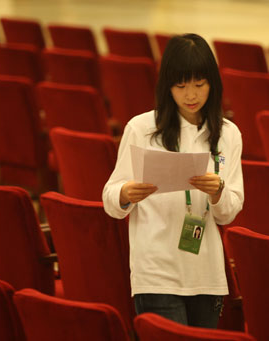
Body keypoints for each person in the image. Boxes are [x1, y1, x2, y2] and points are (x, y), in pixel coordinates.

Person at [102, 33, 243, 329]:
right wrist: (126, 192)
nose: (191, 95)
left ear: (212, 84)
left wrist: (218, 192)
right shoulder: (141, 128)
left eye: (199, 85)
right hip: (155, 271)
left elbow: (229, 211)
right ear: (167, 86)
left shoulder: (228, 134)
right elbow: (110, 199)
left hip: (206, 272)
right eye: (181, 86)